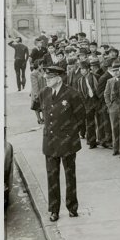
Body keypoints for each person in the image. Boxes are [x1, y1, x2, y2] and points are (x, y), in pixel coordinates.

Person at [31, 62, 81, 223]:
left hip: (67, 143)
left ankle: (72, 207)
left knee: (70, 176)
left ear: (58, 79)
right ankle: (54, 210)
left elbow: (82, 116)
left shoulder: (72, 94)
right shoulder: (44, 92)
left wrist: (69, 134)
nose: (46, 79)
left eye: (50, 77)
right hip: (50, 142)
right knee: (52, 178)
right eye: (46, 77)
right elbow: (36, 106)